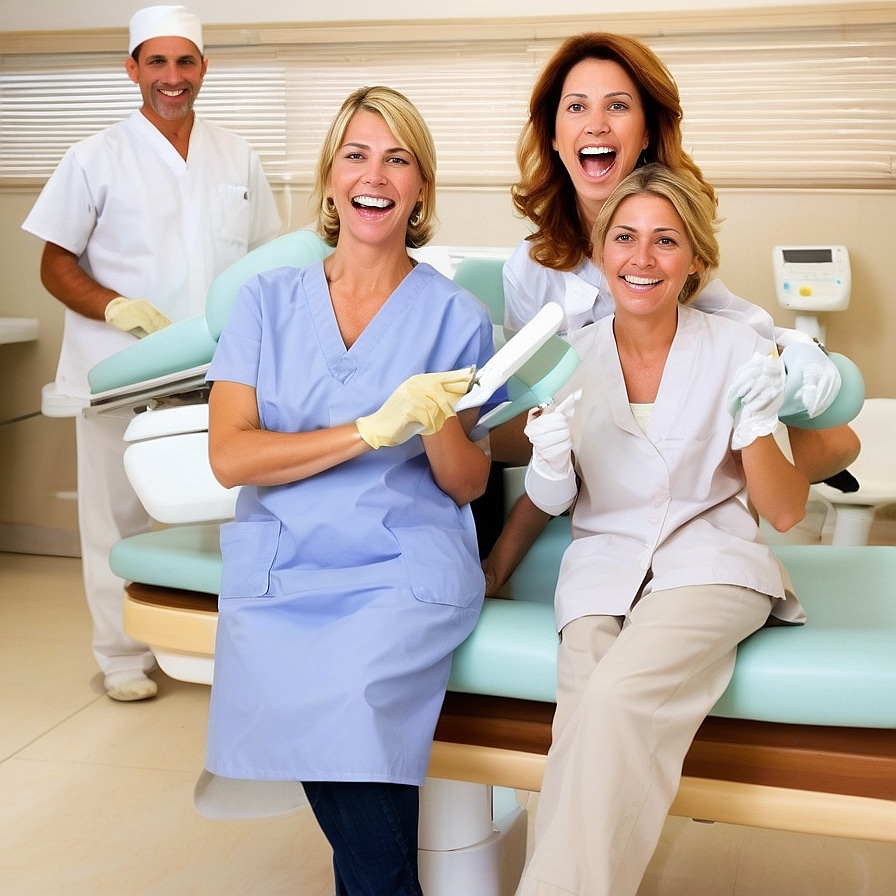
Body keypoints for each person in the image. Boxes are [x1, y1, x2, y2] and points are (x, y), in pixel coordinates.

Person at [198, 86, 493, 895]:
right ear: (330, 177)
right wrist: (370, 428)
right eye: (356, 155)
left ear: (421, 187)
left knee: (355, 716)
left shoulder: (457, 316)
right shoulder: (264, 303)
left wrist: (434, 418)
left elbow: (466, 480)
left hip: (399, 572)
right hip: (284, 570)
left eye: (398, 159)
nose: (375, 175)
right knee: (350, 789)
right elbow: (230, 455)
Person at [515, 163, 809, 896]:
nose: (641, 258)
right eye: (624, 238)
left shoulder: (740, 351)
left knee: (616, 699)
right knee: (580, 718)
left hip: (709, 567)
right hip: (602, 574)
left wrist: (758, 426)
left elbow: (785, 512)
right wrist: (545, 463)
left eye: (665, 240)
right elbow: (555, 494)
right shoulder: (571, 361)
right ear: (600, 251)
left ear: (695, 259)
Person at [482, 32, 859, 589]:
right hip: (594, 459)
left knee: (833, 437)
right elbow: (533, 402)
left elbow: (747, 344)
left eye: (617, 106)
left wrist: (799, 362)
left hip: (698, 464)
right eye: (576, 107)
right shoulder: (531, 270)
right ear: (554, 137)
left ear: (646, 134)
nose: (596, 124)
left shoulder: (674, 258)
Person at [21, 5, 281, 701]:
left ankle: (228, 646)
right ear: (132, 69)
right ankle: (122, 656)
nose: (173, 76)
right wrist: (115, 307)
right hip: (119, 371)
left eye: (185, 61)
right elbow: (54, 263)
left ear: (204, 68)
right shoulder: (94, 158)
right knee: (116, 515)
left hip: (216, 370)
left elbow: (264, 261)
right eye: (157, 62)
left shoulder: (237, 155)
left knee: (232, 508)